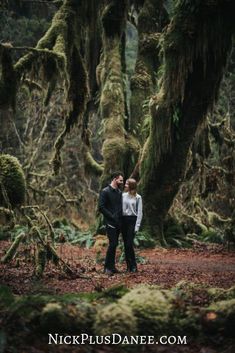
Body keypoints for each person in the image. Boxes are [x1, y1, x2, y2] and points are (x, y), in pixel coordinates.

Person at [98, 171, 124, 275]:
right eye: (120, 180)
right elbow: (101, 207)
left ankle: (112, 267)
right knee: (112, 244)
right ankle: (106, 268)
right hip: (110, 223)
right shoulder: (105, 191)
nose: (122, 182)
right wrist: (111, 216)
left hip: (118, 223)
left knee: (115, 244)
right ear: (114, 179)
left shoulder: (119, 192)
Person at [122, 178, 143, 273]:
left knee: (129, 244)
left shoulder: (138, 197)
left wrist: (137, 226)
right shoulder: (123, 195)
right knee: (125, 245)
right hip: (124, 221)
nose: (125, 184)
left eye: (127, 183)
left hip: (132, 221)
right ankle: (128, 267)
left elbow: (139, 212)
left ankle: (134, 266)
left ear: (131, 185)